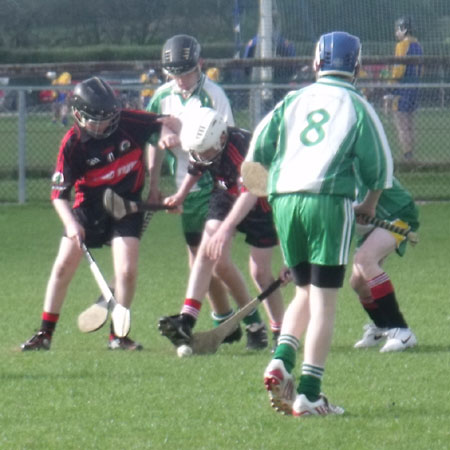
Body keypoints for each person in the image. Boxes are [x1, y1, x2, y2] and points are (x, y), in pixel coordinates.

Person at [245, 31, 394, 417]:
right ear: (357, 67)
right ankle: (310, 394)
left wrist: (269, 197)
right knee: (325, 302)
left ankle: (281, 359)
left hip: (284, 199)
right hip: (327, 201)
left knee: (303, 293)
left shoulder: (291, 100)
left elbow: (256, 153)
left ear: (315, 64)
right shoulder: (357, 105)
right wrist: (368, 205)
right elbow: (380, 167)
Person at [20, 76, 177, 351]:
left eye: (109, 116)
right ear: (79, 115)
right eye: (98, 118)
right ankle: (44, 333)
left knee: (127, 272)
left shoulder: (128, 121)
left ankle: (118, 335)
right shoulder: (73, 143)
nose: (106, 123)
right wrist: (71, 225)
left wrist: (166, 137)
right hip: (88, 208)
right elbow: (59, 195)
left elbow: (168, 122)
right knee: (63, 265)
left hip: (127, 207)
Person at [146, 34, 263, 347]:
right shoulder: (161, 96)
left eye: (186, 72)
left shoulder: (213, 94)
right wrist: (155, 185)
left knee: (217, 261)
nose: (181, 80)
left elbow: (220, 139)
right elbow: (153, 142)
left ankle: (252, 324)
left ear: (200, 65)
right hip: (186, 183)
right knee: (199, 262)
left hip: (213, 185)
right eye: (175, 74)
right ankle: (226, 321)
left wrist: (179, 131)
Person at [158, 107, 285, 351]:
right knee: (208, 252)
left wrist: (226, 230)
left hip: (261, 203)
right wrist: (181, 195)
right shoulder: (204, 143)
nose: (201, 155)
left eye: (206, 150)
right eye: (198, 151)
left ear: (222, 139)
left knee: (260, 273)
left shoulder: (249, 149)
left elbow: (251, 193)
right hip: (226, 193)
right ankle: (187, 319)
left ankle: (281, 332)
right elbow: (196, 166)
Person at [351, 174, 418, 352]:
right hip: (370, 223)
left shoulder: (361, 148)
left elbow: (379, 173)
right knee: (358, 283)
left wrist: (367, 206)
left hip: (397, 213)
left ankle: (402, 330)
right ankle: (381, 327)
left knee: (364, 260)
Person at [389, 16, 423, 161]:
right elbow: (421, 70)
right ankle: (410, 153)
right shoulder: (418, 45)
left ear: (403, 29)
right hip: (414, 86)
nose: (396, 32)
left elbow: (398, 69)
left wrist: (391, 86)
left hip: (402, 88)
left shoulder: (402, 45)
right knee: (410, 123)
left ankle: (406, 155)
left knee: (401, 123)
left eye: (397, 29)